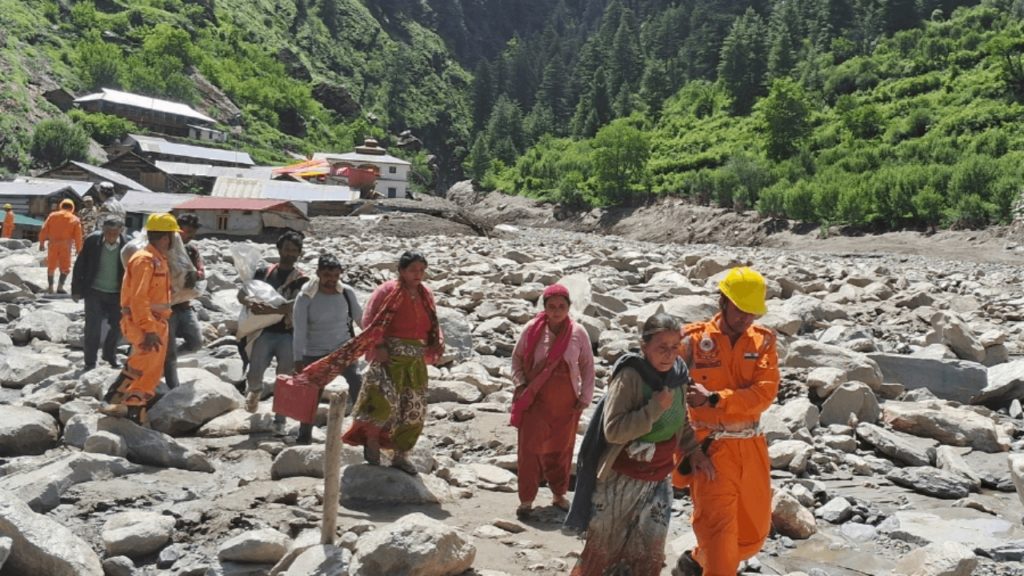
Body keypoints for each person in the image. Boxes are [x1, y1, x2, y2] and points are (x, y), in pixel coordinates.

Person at [569, 313, 708, 576]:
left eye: (674, 347)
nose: (668, 355)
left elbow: (680, 419)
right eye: (660, 348)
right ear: (644, 347)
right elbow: (614, 430)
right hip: (621, 480)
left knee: (649, 551)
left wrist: (694, 450)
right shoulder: (630, 377)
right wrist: (654, 408)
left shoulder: (677, 374)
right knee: (604, 550)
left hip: (658, 478)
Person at [673, 267, 780, 576]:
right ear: (724, 302)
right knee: (720, 536)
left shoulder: (763, 343)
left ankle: (694, 564)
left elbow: (764, 394)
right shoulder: (692, 342)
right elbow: (668, 395)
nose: (746, 318)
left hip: (752, 447)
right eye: (740, 310)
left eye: (752, 312)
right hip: (710, 451)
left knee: (753, 533)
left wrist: (716, 398)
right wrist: (689, 450)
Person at [341, 251, 444, 475]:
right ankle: (372, 442)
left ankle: (401, 454)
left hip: (414, 361)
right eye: (413, 270)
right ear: (401, 271)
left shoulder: (425, 293)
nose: (418, 275)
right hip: (389, 357)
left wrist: (437, 342)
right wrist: (378, 345)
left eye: (421, 271)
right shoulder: (387, 291)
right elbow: (370, 320)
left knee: (413, 408)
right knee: (382, 404)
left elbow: (433, 321)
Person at [510, 283, 594, 519]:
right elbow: (516, 360)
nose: (556, 311)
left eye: (561, 306)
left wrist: (585, 397)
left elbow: (587, 367)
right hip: (535, 400)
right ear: (544, 308)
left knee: (562, 449)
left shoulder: (578, 333)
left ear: (569, 307)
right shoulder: (532, 329)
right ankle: (526, 500)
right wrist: (520, 385)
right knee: (529, 451)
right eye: (551, 306)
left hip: (566, 402)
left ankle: (558, 495)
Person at [100, 213, 179, 425]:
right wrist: (149, 329)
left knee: (150, 371)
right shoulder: (144, 260)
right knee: (140, 365)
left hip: (156, 322)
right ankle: (111, 399)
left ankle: (135, 412)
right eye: (172, 236)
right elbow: (138, 298)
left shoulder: (156, 259)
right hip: (145, 323)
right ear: (165, 237)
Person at [239, 230, 308, 435]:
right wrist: (250, 301)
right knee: (255, 370)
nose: (290, 254)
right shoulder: (263, 273)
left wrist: (271, 310)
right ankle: (255, 391)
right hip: (263, 331)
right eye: (287, 249)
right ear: (279, 249)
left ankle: (280, 420)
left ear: (299, 254)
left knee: (284, 378)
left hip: (288, 334)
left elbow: (295, 305)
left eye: (295, 251)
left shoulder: (301, 279)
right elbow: (242, 293)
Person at [291, 253, 364, 444]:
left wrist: (376, 339)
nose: (331, 281)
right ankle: (304, 433)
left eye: (335, 276)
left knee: (358, 382)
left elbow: (360, 319)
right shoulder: (305, 297)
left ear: (340, 274)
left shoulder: (346, 292)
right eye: (326, 276)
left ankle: (362, 429)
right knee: (311, 394)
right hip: (314, 353)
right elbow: (299, 330)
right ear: (318, 274)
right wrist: (298, 359)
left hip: (343, 350)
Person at [71, 215, 127, 371]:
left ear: (121, 231)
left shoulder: (127, 245)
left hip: (117, 293)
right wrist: (76, 290)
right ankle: (90, 362)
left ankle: (109, 355)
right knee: (92, 328)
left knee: (118, 326)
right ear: (102, 230)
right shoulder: (92, 241)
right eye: (108, 232)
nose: (111, 236)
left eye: (114, 233)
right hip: (94, 291)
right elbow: (80, 265)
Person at [162, 213, 205, 390]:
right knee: (170, 350)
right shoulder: (165, 249)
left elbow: (201, 272)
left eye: (192, 234)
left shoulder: (192, 250)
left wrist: (196, 275)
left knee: (196, 342)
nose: (189, 237)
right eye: (187, 232)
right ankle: (173, 386)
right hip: (167, 307)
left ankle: (164, 362)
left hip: (185, 304)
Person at [39, 198, 84, 294]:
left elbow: (44, 229)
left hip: (53, 244)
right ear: (72, 207)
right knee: (65, 267)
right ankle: (60, 287)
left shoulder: (52, 215)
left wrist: (42, 243)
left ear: (61, 206)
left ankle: (50, 287)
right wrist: (78, 248)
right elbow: (78, 236)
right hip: (65, 245)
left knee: (51, 266)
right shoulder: (75, 219)